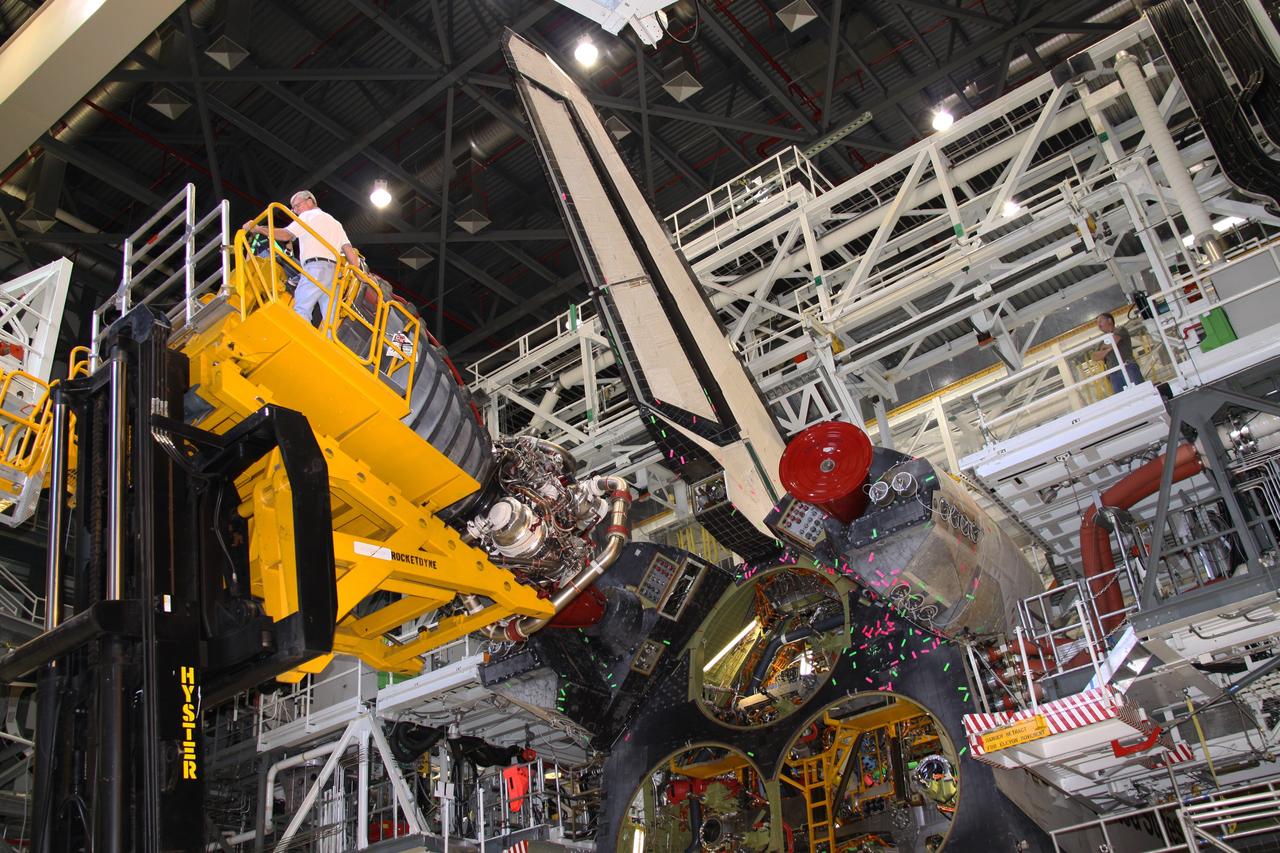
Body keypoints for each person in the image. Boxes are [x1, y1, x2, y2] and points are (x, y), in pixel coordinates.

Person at [243, 190, 359, 325]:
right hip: (334, 273)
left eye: (297, 206)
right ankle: (326, 343)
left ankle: (301, 340)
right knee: (331, 319)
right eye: (293, 208)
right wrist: (360, 274)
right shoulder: (335, 223)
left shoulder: (308, 216)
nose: (295, 211)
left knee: (302, 307)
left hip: (315, 268)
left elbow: (286, 235)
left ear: (310, 201)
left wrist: (258, 229)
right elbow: (349, 250)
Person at [1092, 311, 1144, 394]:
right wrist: (1109, 349)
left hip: (1128, 366)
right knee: (1122, 397)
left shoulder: (1120, 330)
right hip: (1113, 373)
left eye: (1100, 321)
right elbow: (1095, 357)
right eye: (1097, 323)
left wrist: (1104, 350)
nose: (1099, 325)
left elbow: (1114, 340)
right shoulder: (1101, 342)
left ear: (1109, 320)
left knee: (1139, 391)